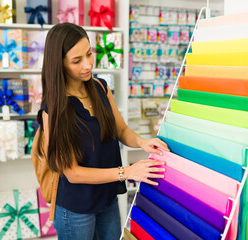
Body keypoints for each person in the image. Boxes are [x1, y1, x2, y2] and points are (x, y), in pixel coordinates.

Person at [36, 22, 169, 240]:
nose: (87, 65)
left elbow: (121, 130)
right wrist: (126, 172)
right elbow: (72, 172)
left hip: (106, 197)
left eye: (89, 54)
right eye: (77, 61)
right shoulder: (55, 109)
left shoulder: (100, 87)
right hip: (75, 207)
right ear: (59, 64)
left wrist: (142, 142)